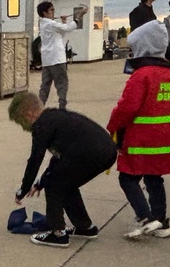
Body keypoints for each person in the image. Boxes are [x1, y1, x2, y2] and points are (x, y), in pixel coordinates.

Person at [106, 20, 170, 239]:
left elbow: (127, 107)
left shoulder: (142, 76)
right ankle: (161, 221)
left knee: (128, 179)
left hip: (141, 140)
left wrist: (112, 127)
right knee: (154, 178)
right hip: (165, 140)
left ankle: (145, 218)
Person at [7, 93, 116, 248]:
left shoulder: (42, 125)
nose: (22, 126)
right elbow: (59, 159)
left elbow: (35, 160)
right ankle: (85, 227)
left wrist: (23, 190)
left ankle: (57, 233)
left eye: (20, 121)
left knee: (55, 184)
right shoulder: (55, 118)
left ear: (29, 114)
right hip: (106, 151)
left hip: (92, 154)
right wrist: (40, 183)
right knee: (65, 183)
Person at [36, 1, 87, 109]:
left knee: (45, 85)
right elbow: (68, 29)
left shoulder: (44, 23)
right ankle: (62, 106)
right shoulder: (50, 23)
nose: (53, 12)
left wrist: (64, 22)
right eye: (51, 10)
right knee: (62, 83)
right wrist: (78, 17)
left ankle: (39, 106)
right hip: (57, 58)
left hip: (47, 60)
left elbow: (61, 33)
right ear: (44, 13)